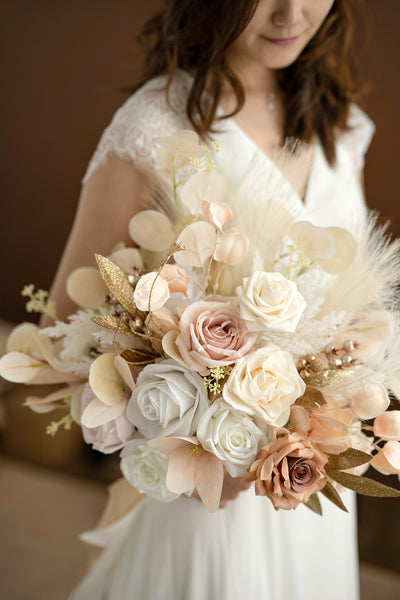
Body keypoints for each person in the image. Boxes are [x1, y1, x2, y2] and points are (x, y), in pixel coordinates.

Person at [47, 1, 374, 598]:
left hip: (312, 491)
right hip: (204, 496)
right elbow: (62, 329)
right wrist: (180, 429)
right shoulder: (156, 122)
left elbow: (348, 304)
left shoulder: (341, 125)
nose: (290, 14)